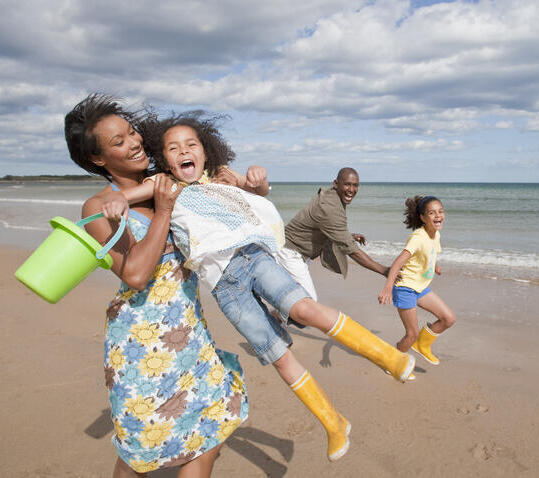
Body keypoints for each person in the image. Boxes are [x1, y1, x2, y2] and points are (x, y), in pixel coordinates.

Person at [105, 112, 416, 462]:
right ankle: (333, 423)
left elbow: (258, 192)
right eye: (173, 149)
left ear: (205, 152)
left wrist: (259, 178)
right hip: (225, 287)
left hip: (253, 257)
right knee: (279, 357)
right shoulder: (166, 185)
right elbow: (131, 195)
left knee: (304, 309)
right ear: (165, 160)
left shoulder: (221, 178)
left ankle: (388, 356)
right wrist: (118, 201)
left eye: (191, 145)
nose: (183, 152)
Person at [64, 95, 248, 477]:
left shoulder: (169, 184)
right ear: (98, 159)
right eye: (118, 142)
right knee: (141, 450)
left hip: (189, 329)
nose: (133, 143)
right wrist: (163, 210)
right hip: (141, 341)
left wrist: (248, 187)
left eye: (132, 132)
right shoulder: (99, 207)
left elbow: (233, 222)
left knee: (209, 429)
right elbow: (134, 274)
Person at [277, 167, 389, 300]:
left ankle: (274, 319)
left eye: (355, 185)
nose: (351, 190)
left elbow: (326, 227)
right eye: (347, 184)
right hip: (290, 253)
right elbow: (352, 250)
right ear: (336, 184)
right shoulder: (330, 207)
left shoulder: (333, 197)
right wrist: (385, 271)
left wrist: (349, 236)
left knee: (296, 303)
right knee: (308, 302)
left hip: (295, 252)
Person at [378, 196, 456, 366]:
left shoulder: (435, 235)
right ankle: (392, 363)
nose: (438, 216)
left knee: (448, 318)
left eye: (440, 211)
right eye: (432, 213)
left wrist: (434, 265)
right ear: (422, 217)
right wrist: (388, 287)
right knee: (411, 334)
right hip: (405, 288)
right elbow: (398, 262)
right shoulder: (418, 237)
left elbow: (430, 252)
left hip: (421, 288)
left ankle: (423, 345)